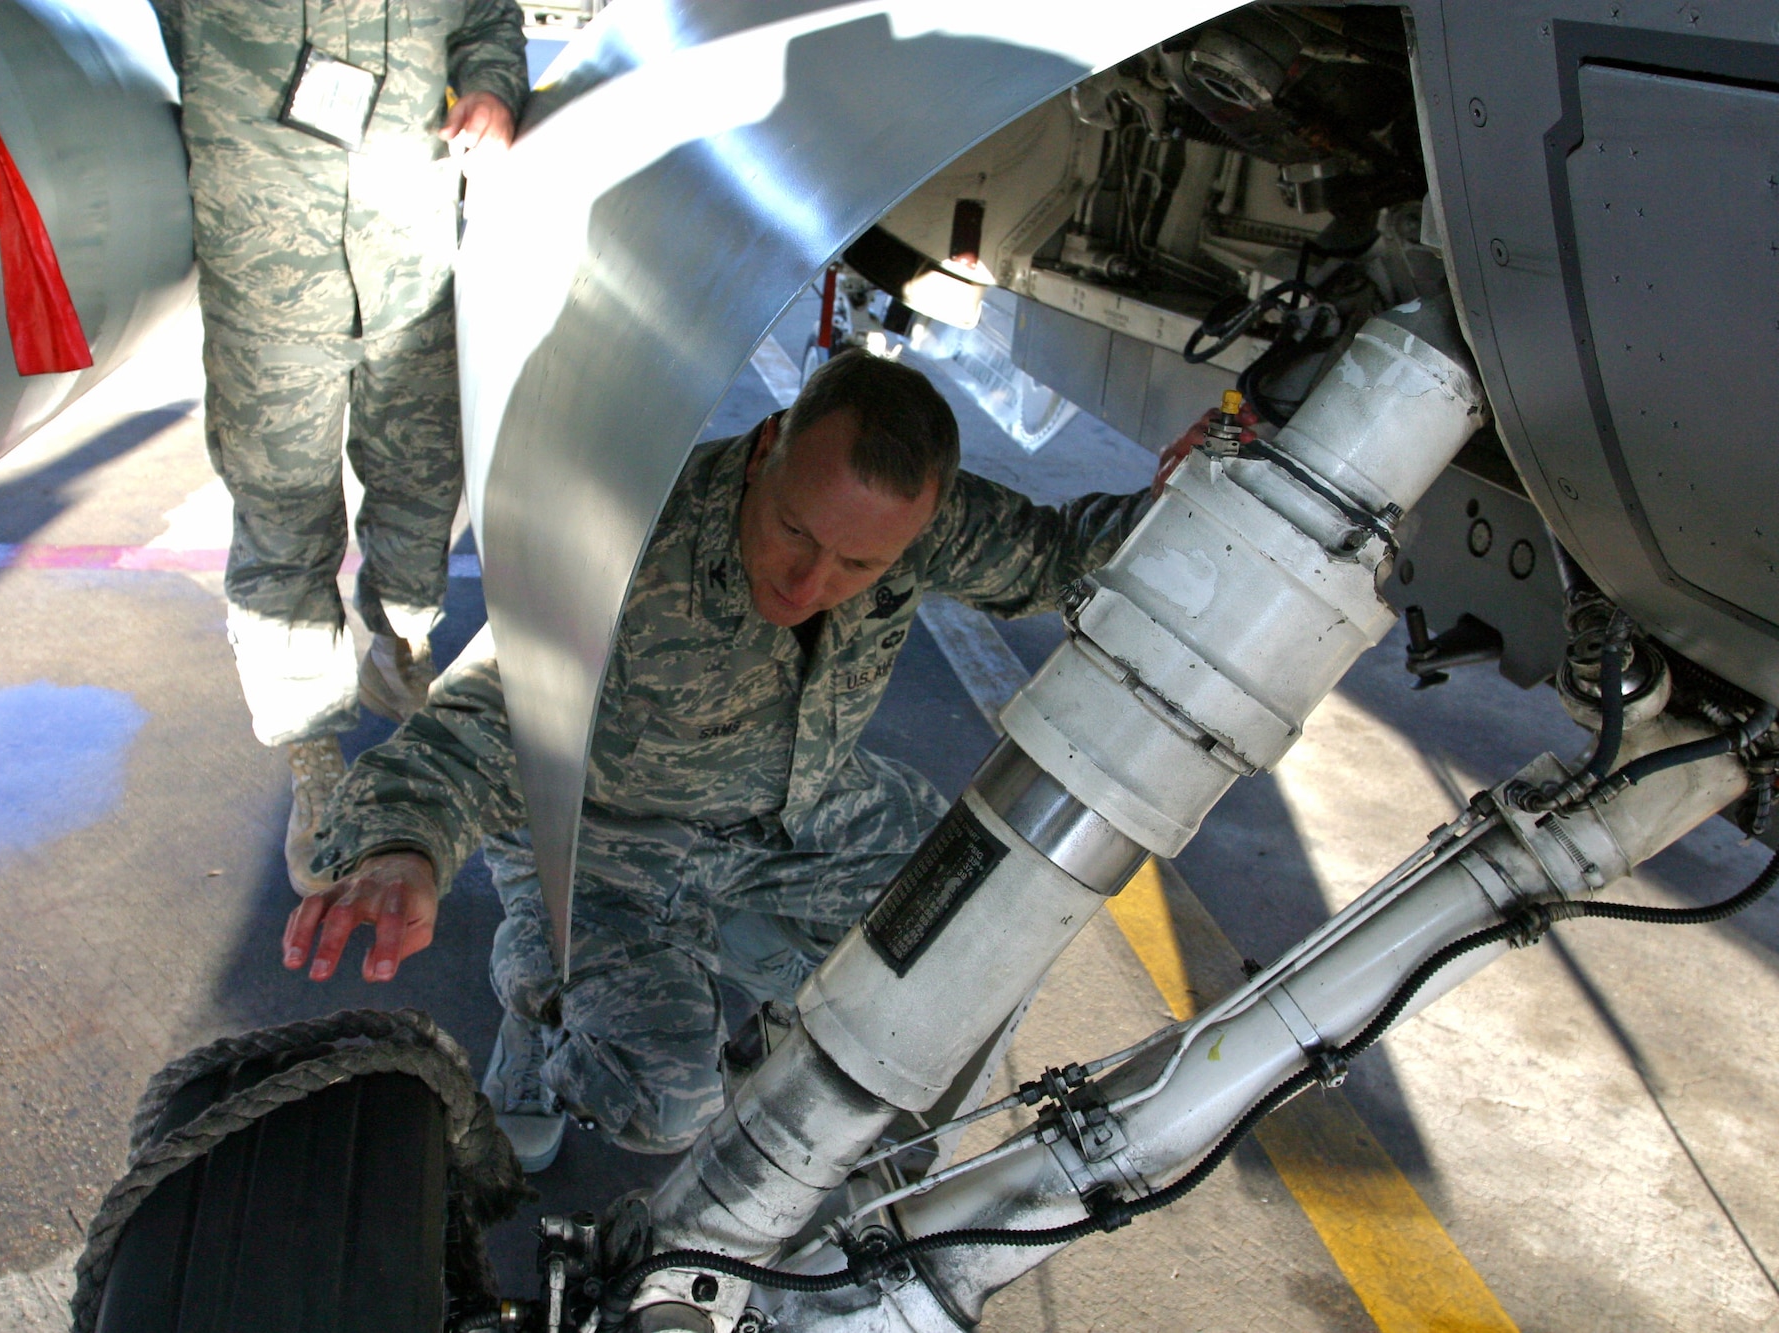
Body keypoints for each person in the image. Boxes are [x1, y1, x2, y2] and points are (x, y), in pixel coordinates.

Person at [284, 352, 1158, 1171]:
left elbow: (1060, 557)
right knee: (666, 1100)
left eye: (860, 563)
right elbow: (475, 721)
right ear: (767, 447)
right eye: (794, 531)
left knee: (969, 914)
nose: (809, 584)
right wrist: (401, 846)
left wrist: (1189, 492)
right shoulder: (620, 539)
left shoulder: (916, 520)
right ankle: (542, 1009)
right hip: (607, 845)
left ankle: (722, 967)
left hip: (795, 813)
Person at [146, 0, 529, 895]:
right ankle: (314, 758)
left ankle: (400, 647)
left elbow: (487, 19)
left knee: (422, 489)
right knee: (283, 527)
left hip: (410, 269)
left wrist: (490, 90)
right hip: (269, 285)